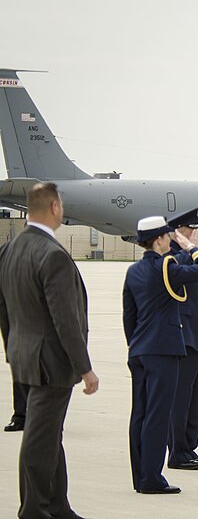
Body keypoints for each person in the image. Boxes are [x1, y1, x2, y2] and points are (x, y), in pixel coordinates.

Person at [0, 181, 99, 518]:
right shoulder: (52, 255)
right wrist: (85, 368)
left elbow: (5, 307)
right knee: (39, 442)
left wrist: (12, 348)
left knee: (48, 435)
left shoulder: (12, 248)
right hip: (50, 363)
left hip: (26, 358)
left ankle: (58, 506)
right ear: (54, 207)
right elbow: (65, 321)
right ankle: (33, 510)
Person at [123, 216, 198, 495]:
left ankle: (141, 476)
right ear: (160, 240)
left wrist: (136, 345)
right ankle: (152, 478)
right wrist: (191, 247)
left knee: (139, 414)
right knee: (157, 416)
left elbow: (130, 316)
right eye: (167, 236)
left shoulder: (134, 271)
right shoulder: (167, 266)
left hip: (140, 349)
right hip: (163, 350)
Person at [166, 208, 198, 471]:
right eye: (194, 229)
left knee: (194, 399)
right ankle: (177, 452)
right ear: (180, 232)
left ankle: (188, 449)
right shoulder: (172, 257)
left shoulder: (194, 255)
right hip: (182, 337)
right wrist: (188, 249)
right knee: (180, 399)